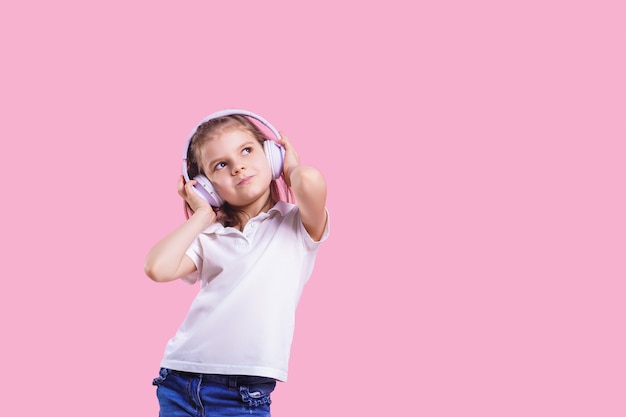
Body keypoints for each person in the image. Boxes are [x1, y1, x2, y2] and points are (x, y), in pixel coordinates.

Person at [144, 110, 329, 417]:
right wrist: (203, 214)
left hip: (244, 392)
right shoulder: (211, 236)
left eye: (246, 150)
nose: (238, 166)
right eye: (221, 165)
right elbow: (156, 267)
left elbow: (309, 180)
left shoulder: (296, 225)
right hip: (180, 377)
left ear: (271, 157)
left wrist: (291, 166)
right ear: (207, 186)